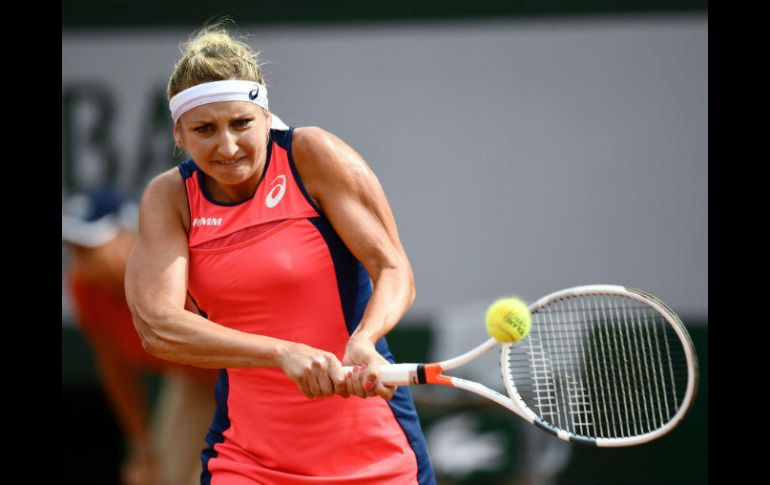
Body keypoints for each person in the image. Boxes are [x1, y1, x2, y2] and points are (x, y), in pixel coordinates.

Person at [124, 23, 435, 485]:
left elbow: (393, 267)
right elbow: (158, 326)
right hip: (247, 460)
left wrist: (365, 339)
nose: (227, 146)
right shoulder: (170, 198)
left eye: (241, 123)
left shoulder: (312, 155)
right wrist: (281, 352)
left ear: (266, 117)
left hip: (375, 454)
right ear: (179, 134)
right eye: (204, 129)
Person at [63, 188, 218, 485]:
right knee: (160, 477)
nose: (80, 258)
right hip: (194, 378)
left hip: (251, 376)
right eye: (74, 247)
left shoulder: (180, 273)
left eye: (89, 246)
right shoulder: (86, 288)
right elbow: (114, 367)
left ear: (128, 237)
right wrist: (142, 446)